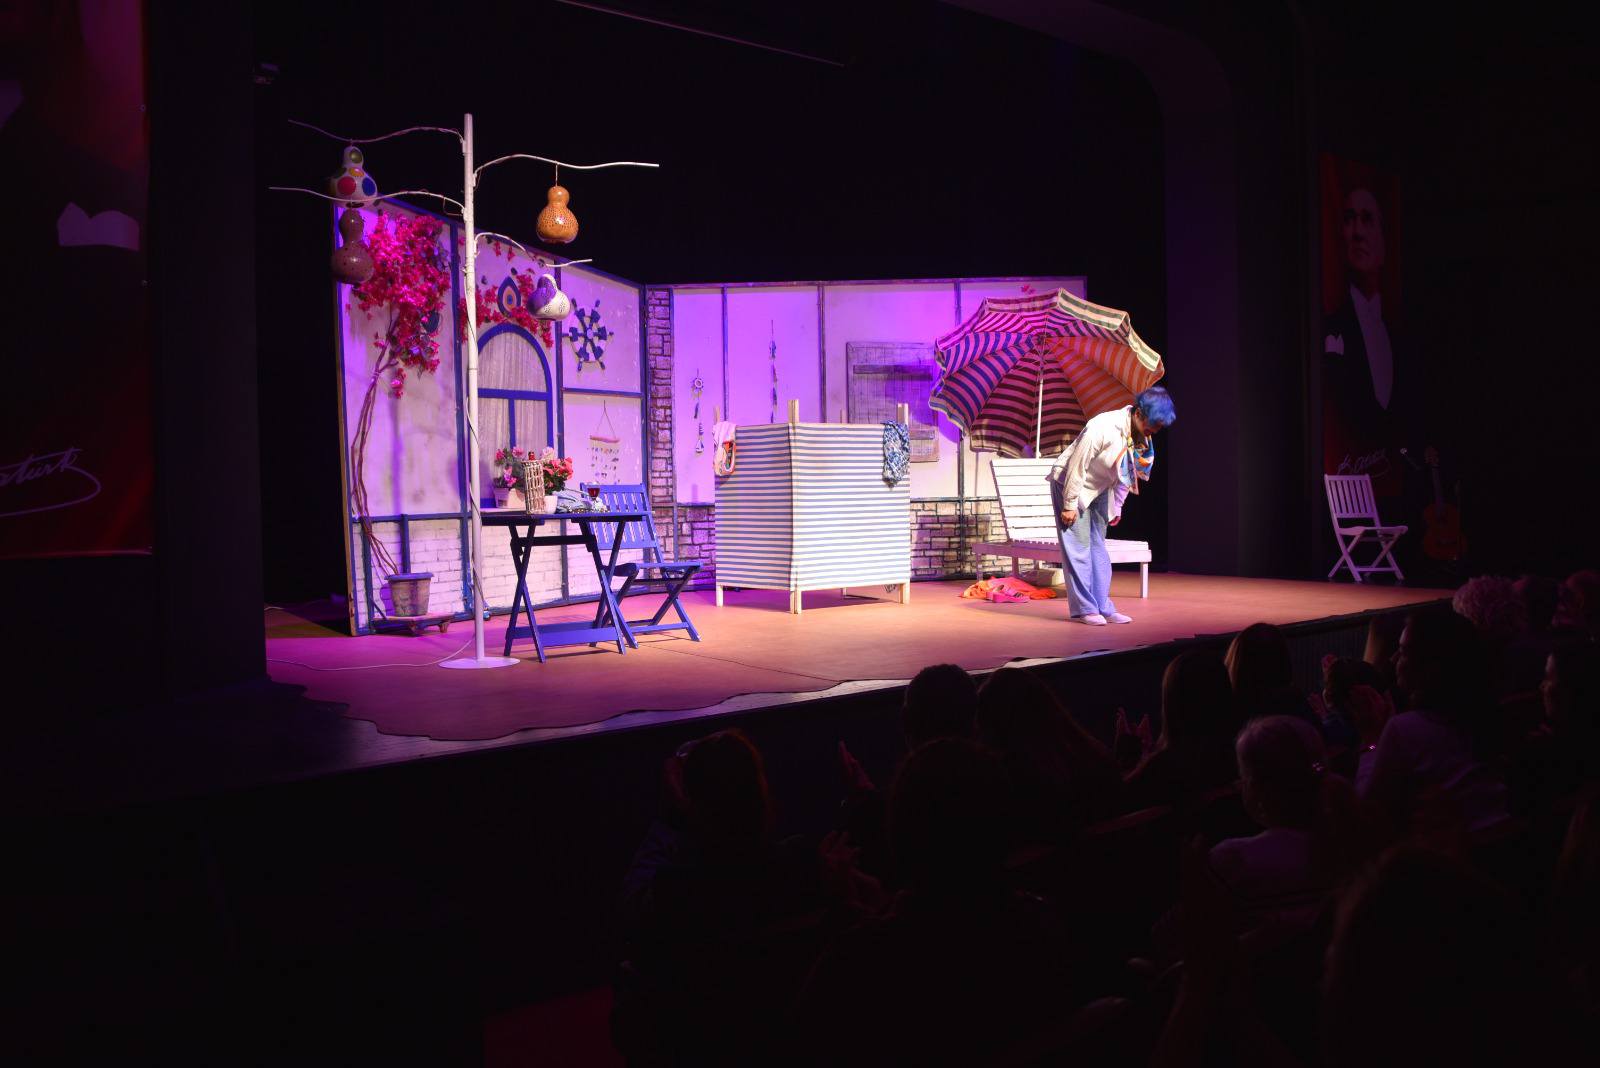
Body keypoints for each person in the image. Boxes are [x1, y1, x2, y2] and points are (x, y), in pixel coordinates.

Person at [1047, 386, 1176, 625]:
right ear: (1139, 413)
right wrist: (1069, 504)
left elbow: (1128, 474)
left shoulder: (1141, 438)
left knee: (1098, 548)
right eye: (1154, 424)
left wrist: (1116, 506)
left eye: (1159, 427)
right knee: (1078, 547)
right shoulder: (1103, 426)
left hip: (1100, 488)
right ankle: (1085, 609)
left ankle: (1103, 606)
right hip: (1071, 483)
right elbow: (1077, 465)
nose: (1155, 431)